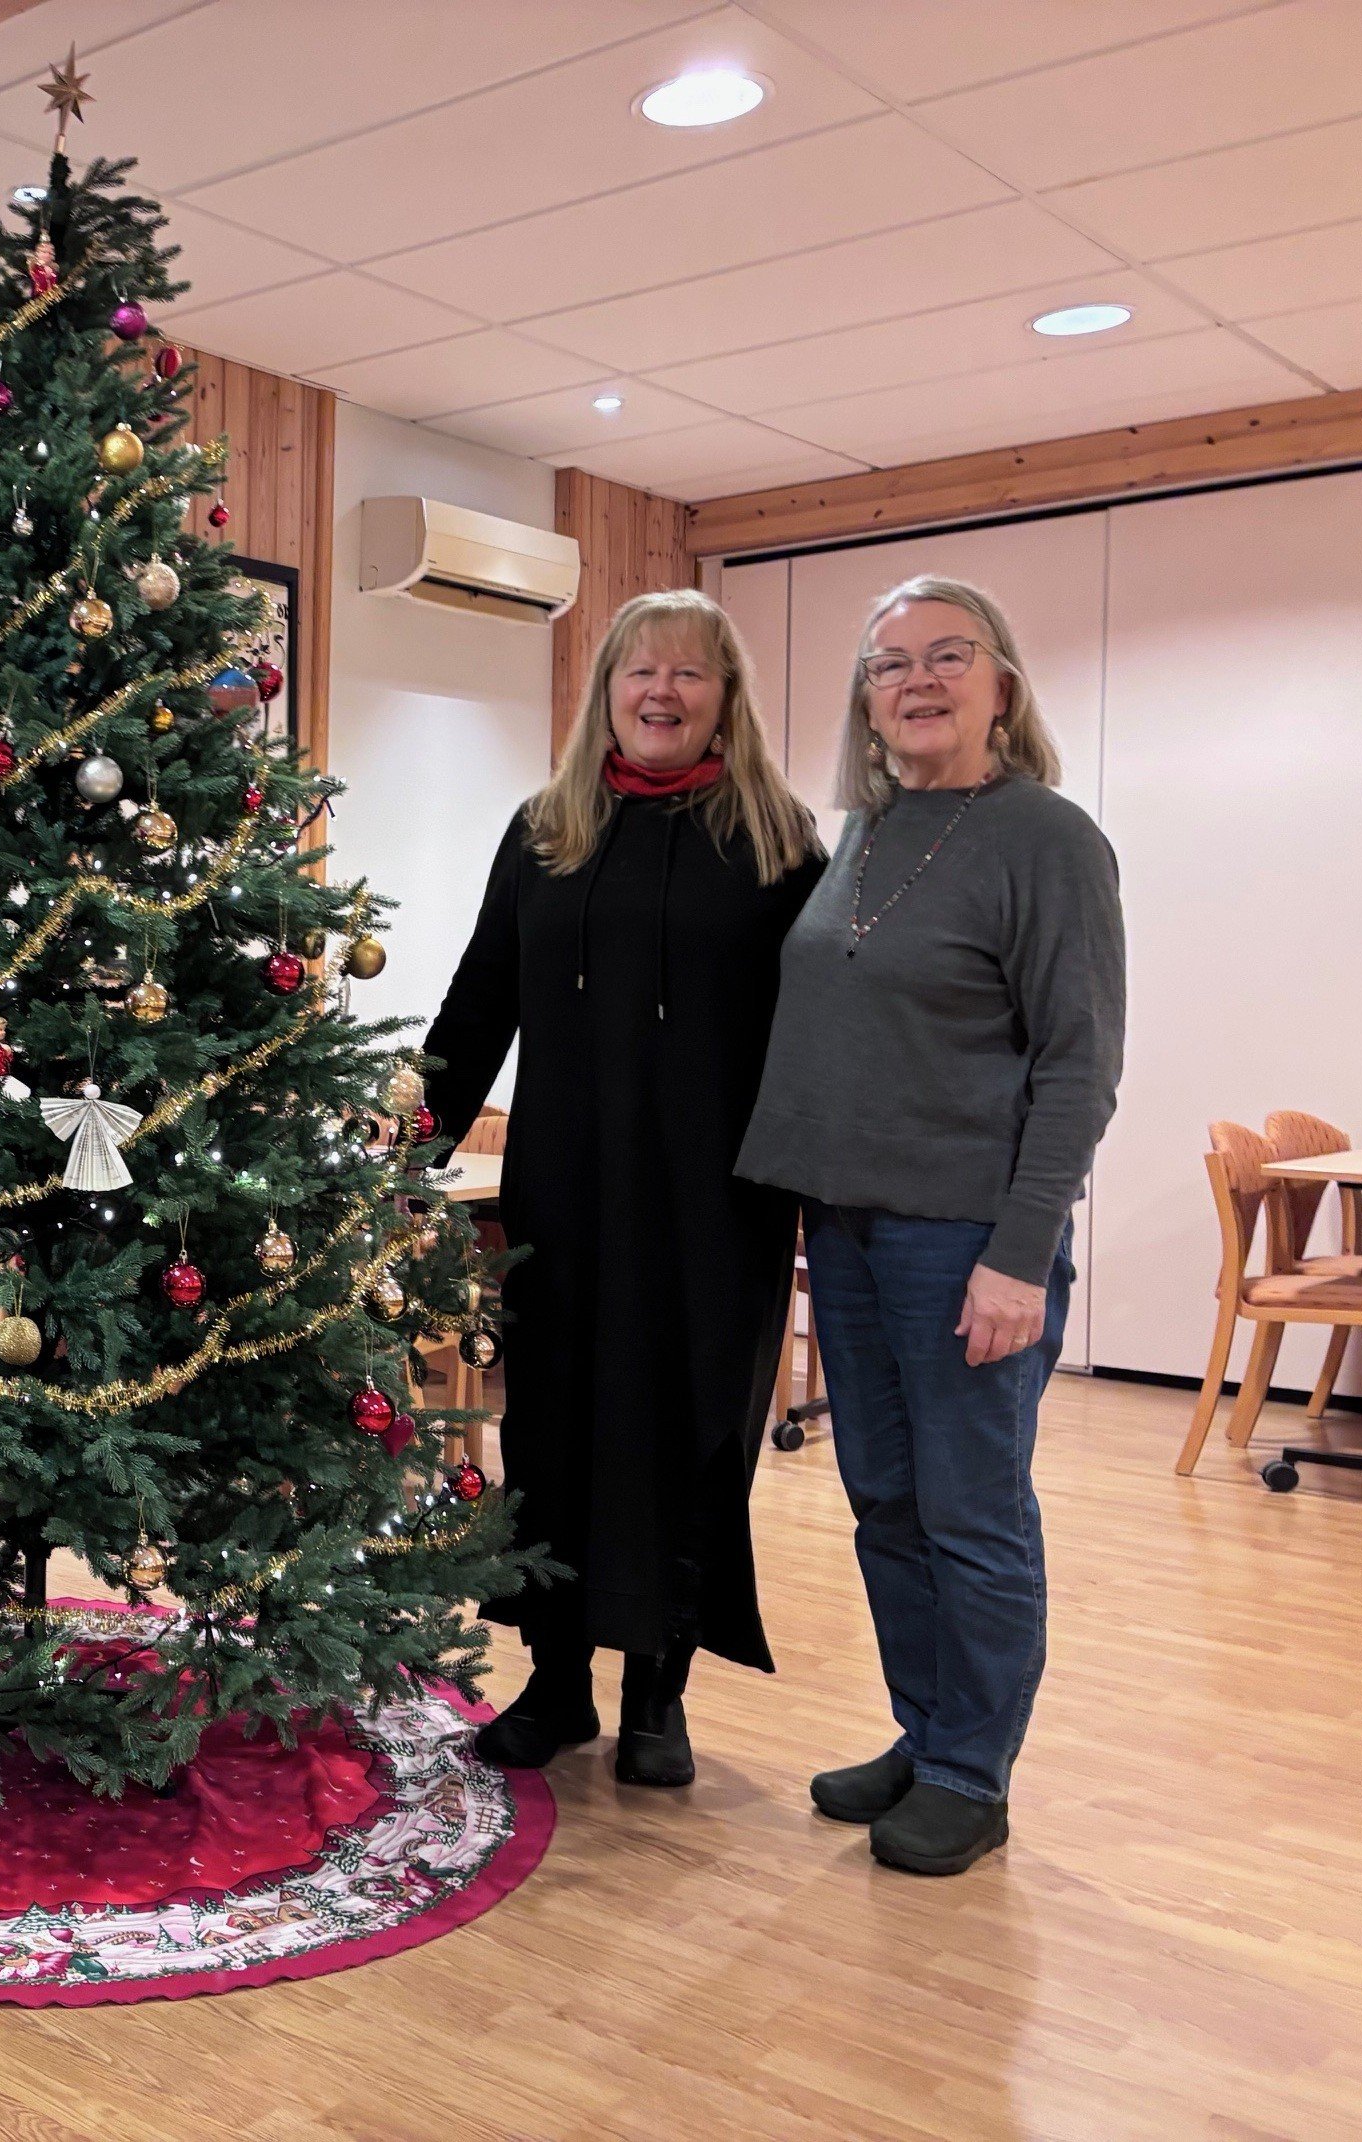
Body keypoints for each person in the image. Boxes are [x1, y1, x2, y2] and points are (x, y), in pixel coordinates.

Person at [739, 575, 1124, 1877]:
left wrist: (1019, 1254)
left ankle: (972, 1771)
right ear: (867, 699)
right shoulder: (863, 833)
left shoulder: (1047, 841)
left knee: (972, 1509)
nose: (918, 681)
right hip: (848, 1230)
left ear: (1000, 683)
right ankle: (926, 1730)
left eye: (948, 656)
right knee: (886, 1502)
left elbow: (1078, 1065)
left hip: (965, 1238)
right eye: (890, 662)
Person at [424, 589, 823, 1788]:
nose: (662, 691)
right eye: (639, 671)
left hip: (718, 1207)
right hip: (564, 1196)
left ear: (726, 698)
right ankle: (557, 1683)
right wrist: (404, 1146)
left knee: (690, 1435)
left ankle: (660, 1691)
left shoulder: (778, 841)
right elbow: (479, 1001)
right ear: (606, 692)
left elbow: (819, 1036)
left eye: (689, 673)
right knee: (552, 1430)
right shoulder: (547, 831)